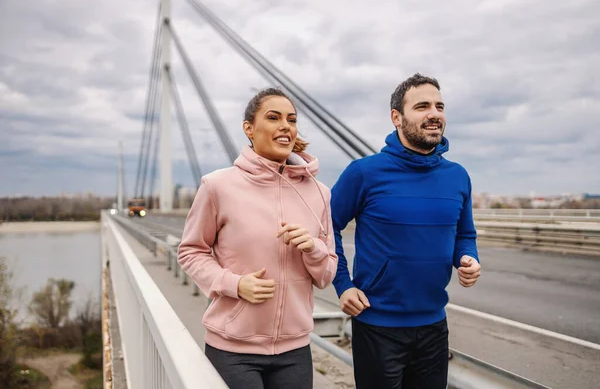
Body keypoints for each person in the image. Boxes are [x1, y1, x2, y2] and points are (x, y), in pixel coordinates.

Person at [177, 87, 338, 389]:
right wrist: (235, 284)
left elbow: (327, 273)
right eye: (273, 117)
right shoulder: (217, 186)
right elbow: (190, 251)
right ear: (249, 129)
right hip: (233, 349)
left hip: (295, 349)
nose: (285, 126)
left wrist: (313, 249)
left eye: (291, 120)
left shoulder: (319, 193)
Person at [330, 73, 482, 389]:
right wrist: (343, 285)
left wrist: (467, 258)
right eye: (422, 106)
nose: (434, 114)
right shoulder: (364, 173)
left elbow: (464, 234)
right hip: (377, 326)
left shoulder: (458, 176)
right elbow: (324, 229)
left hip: (434, 326)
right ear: (396, 117)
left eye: (439, 106)